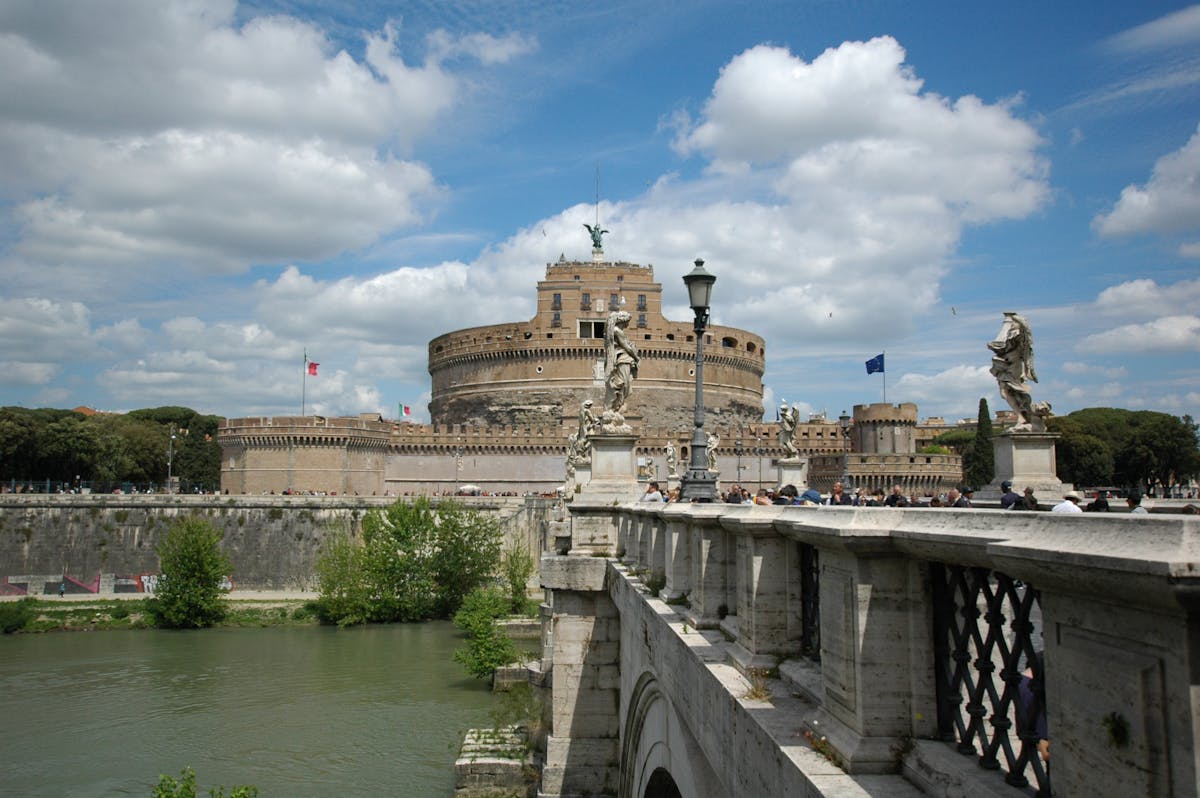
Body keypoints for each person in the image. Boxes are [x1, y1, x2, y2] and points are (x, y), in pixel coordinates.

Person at [603, 311, 639, 415]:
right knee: (624, 384)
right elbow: (626, 347)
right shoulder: (617, 331)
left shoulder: (614, 330)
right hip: (621, 359)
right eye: (628, 321)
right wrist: (636, 357)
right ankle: (616, 407)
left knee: (623, 385)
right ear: (625, 320)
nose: (628, 324)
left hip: (621, 358)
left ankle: (616, 408)